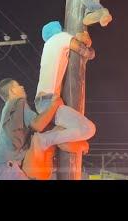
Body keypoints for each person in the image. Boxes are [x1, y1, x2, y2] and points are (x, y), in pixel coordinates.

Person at [30, 21, 96, 158]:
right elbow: (84, 52)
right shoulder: (59, 38)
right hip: (49, 101)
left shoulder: (47, 47)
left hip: (44, 101)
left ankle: (51, 139)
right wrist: (89, 48)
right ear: (59, 30)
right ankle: (44, 140)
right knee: (88, 129)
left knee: (75, 131)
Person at [0, 78, 62, 180]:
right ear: (12, 91)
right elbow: (38, 125)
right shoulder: (18, 102)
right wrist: (54, 104)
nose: (22, 87)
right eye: (18, 85)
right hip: (5, 168)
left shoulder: (8, 109)